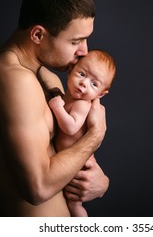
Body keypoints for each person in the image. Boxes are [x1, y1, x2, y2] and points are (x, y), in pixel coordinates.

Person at [0, 0, 109, 217]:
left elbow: (63, 155)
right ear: (38, 35)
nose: (84, 52)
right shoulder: (14, 79)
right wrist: (96, 135)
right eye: (75, 41)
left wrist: (100, 182)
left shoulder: (46, 76)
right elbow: (37, 188)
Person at [49, 49, 116, 216]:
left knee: (75, 206)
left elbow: (71, 126)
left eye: (94, 84)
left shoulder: (82, 104)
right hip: (68, 162)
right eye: (81, 74)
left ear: (101, 94)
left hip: (79, 168)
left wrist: (57, 108)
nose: (84, 83)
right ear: (71, 70)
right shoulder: (68, 98)